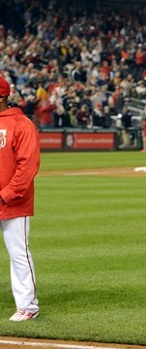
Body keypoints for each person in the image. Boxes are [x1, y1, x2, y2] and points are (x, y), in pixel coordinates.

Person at [0, 75, 41, 322]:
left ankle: (28, 306)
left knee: (18, 253)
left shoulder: (21, 124)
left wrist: (6, 195)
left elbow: (28, 166)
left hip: (14, 203)